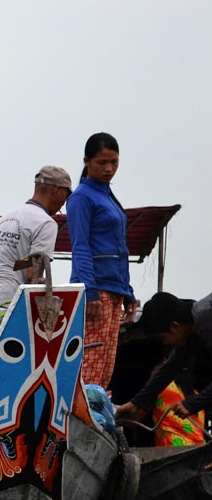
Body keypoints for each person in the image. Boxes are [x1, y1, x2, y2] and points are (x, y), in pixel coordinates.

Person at [68, 132, 135, 388]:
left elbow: (121, 248)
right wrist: (90, 291)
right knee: (91, 361)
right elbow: (80, 246)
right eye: (102, 162)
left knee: (107, 363)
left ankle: (96, 417)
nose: (109, 169)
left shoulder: (107, 196)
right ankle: (79, 419)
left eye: (114, 162)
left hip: (114, 289)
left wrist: (127, 291)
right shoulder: (81, 197)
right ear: (87, 161)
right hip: (96, 290)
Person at [0, 166, 71, 307]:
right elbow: (33, 277)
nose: (64, 202)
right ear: (56, 190)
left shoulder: (4, 219)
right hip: (7, 301)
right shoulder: (46, 223)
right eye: (66, 195)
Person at [114, 291, 211, 432]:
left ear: (174, 326)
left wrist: (193, 403)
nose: (165, 343)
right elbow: (171, 367)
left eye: (163, 338)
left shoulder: (205, 319)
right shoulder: (193, 323)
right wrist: (137, 402)